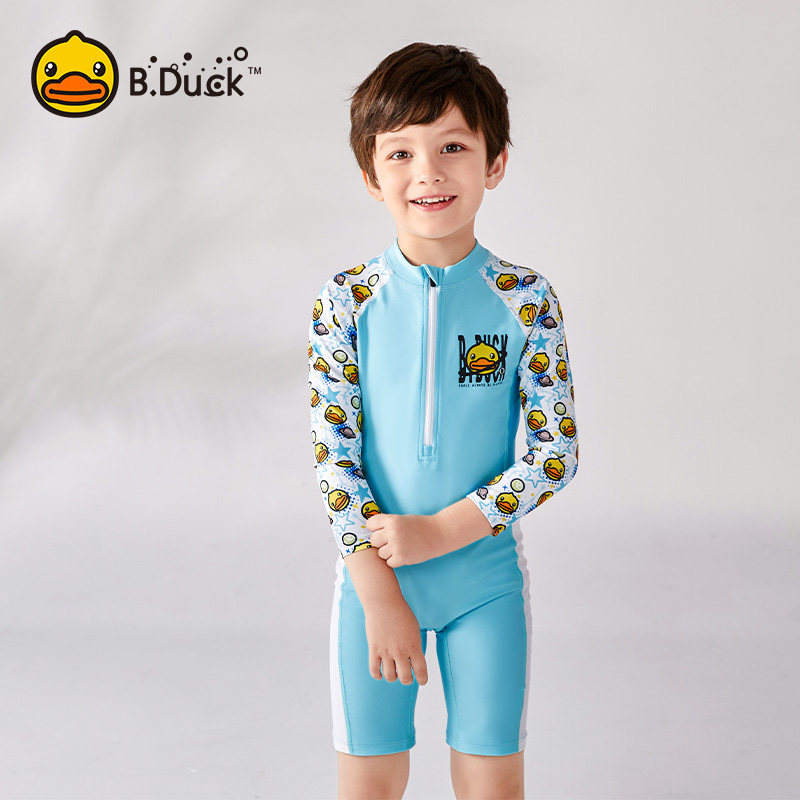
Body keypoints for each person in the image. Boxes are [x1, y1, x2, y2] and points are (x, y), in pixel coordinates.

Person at [307, 41, 580, 800]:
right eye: (400, 153)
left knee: (492, 784)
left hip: (485, 584)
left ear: (495, 163)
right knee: (369, 783)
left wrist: (442, 530)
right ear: (372, 176)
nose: (427, 171)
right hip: (372, 582)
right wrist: (378, 593)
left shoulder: (525, 299)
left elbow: (554, 452)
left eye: (453, 146)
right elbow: (335, 459)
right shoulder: (345, 301)